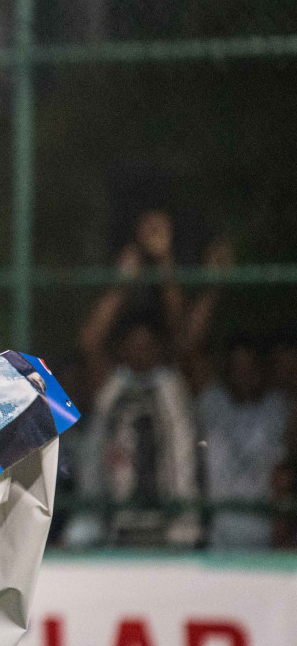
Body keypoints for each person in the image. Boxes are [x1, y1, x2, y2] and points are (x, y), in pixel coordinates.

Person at [72, 212, 199, 547]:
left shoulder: (173, 385)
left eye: (149, 344)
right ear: (122, 348)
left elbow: (183, 338)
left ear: (159, 347)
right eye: (134, 344)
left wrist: (164, 261)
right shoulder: (113, 387)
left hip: (177, 533)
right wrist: (123, 280)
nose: (142, 352)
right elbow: (89, 342)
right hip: (117, 532)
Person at [197, 339, 290, 548]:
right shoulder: (212, 403)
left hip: (266, 538)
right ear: (227, 370)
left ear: (262, 369)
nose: (244, 374)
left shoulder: (279, 408)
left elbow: (283, 478)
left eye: (250, 366)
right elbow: (190, 349)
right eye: (237, 366)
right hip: (216, 539)